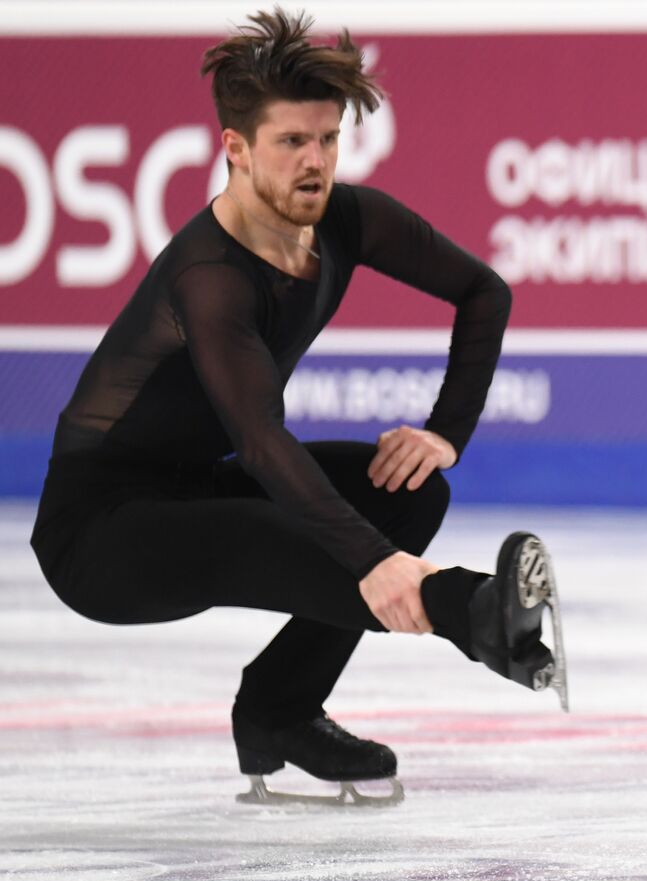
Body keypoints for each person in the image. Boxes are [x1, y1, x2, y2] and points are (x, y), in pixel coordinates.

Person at [28, 9, 567, 807]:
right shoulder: (210, 277)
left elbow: (485, 293)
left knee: (408, 492)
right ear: (236, 151)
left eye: (327, 139)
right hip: (101, 534)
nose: (314, 162)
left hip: (198, 485)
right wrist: (376, 564)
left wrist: (446, 432)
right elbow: (260, 439)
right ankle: (477, 612)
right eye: (290, 143)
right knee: (289, 529)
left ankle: (279, 710)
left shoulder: (345, 219)